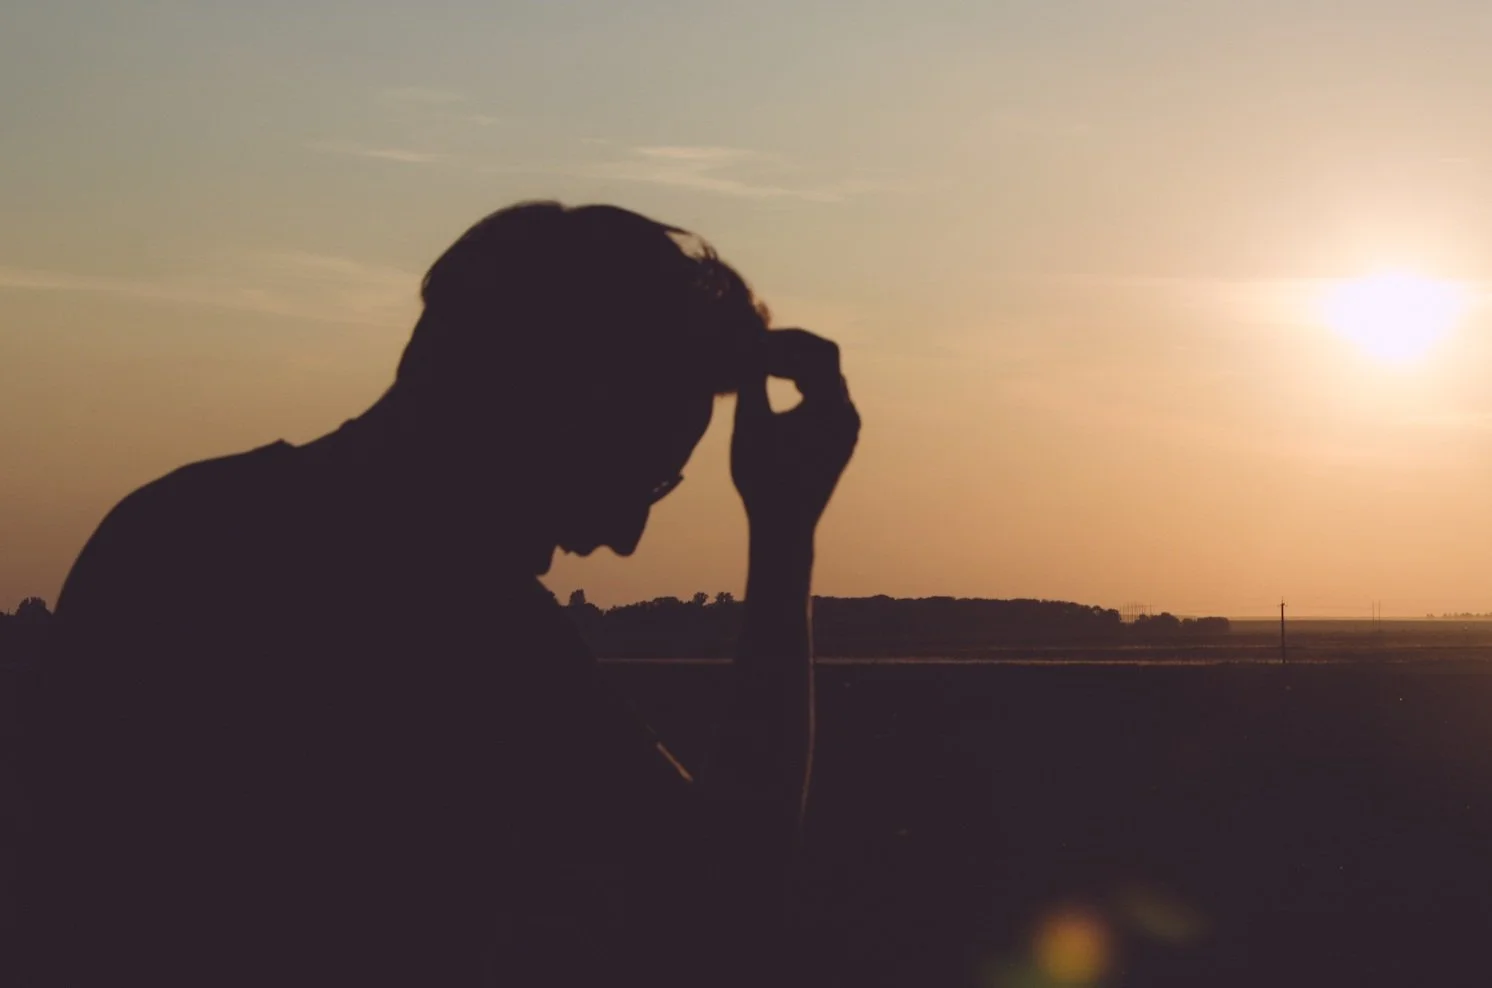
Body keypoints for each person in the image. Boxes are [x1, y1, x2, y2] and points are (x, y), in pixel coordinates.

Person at [20, 201, 859, 987]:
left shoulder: (174, 527)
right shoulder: (458, 621)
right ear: (550, 406)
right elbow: (724, 898)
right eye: (640, 471)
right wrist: (784, 539)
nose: (622, 535)